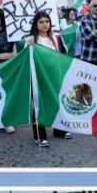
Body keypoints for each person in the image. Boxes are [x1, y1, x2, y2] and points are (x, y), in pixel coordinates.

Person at [25, 11, 74, 146]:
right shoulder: (31, 40)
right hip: (38, 78)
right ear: (35, 24)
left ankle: (59, 130)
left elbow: (59, 57)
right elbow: (27, 59)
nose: (44, 24)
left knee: (56, 102)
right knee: (38, 105)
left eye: (47, 21)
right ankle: (39, 135)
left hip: (53, 77)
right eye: (41, 22)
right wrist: (28, 45)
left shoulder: (55, 38)